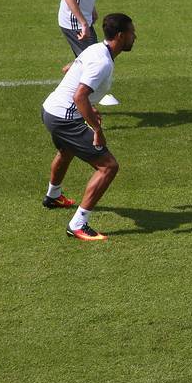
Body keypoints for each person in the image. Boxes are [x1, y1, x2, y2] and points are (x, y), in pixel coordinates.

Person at [40, 13, 136, 241]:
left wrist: (90, 107)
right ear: (121, 36)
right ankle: (78, 223)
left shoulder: (95, 50)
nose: (135, 37)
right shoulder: (102, 61)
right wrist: (97, 131)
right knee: (108, 167)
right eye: (132, 32)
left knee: (67, 150)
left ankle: (53, 196)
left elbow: (70, 69)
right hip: (64, 117)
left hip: (50, 110)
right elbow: (80, 95)